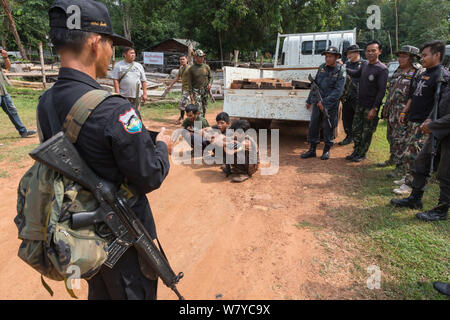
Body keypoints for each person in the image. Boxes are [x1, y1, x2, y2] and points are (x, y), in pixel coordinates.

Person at [38, 0, 173, 300]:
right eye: (112, 43)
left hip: (83, 240)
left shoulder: (45, 102)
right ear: (96, 43)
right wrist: (162, 146)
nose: (112, 52)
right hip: (124, 242)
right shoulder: (113, 109)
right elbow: (148, 176)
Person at [391, 43, 450, 222]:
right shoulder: (440, 78)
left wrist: (433, 124)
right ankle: (415, 198)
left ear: (437, 55)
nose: (421, 59)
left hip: (444, 130)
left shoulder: (443, 75)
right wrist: (430, 118)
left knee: (445, 173)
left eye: (425, 55)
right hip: (436, 127)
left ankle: (441, 210)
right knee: (421, 162)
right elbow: (440, 103)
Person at [378, 45, 422, 189]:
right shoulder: (398, 71)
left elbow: (416, 94)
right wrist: (386, 109)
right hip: (392, 110)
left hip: (404, 113)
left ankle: (401, 167)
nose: (400, 59)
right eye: (399, 56)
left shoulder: (418, 72)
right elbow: (391, 90)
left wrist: (405, 112)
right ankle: (393, 158)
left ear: (412, 58)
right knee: (391, 136)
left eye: (404, 56)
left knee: (401, 140)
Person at [345, 40, 388, 162]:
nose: (370, 53)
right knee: (356, 129)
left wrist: (374, 109)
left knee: (366, 132)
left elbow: (381, 91)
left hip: (371, 107)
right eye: (368, 51)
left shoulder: (382, 69)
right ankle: (356, 151)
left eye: (373, 50)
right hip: (360, 104)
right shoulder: (364, 65)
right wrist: (345, 68)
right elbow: (356, 74)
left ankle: (362, 154)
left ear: (379, 51)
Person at [301, 46, 346, 160]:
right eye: (326, 56)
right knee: (313, 125)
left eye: (330, 56)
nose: (327, 59)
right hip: (317, 102)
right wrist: (309, 100)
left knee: (328, 126)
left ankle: (326, 150)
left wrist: (324, 102)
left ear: (336, 57)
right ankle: (312, 150)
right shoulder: (321, 67)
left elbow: (338, 91)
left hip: (330, 105)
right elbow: (315, 85)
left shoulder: (341, 70)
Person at [0, 48, 36, 138]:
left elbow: (7, 67)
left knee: (12, 111)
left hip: (3, 91)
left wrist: (5, 57)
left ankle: (23, 132)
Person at [338, 44, 364, 146]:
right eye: (347, 53)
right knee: (346, 118)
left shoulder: (364, 64)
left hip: (358, 96)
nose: (348, 55)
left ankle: (358, 139)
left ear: (357, 52)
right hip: (347, 96)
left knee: (358, 119)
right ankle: (349, 137)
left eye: (350, 53)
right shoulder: (346, 65)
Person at [112, 47, 147, 111]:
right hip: (124, 96)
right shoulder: (118, 65)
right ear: (124, 54)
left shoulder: (139, 66)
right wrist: (117, 92)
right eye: (131, 53)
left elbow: (143, 80)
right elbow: (115, 79)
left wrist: (144, 93)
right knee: (124, 114)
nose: (133, 55)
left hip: (137, 96)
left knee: (136, 114)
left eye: (134, 53)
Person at [186, 49, 213, 117]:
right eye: (200, 56)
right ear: (196, 57)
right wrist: (191, 93)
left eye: (203, 56)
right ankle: (198, 126)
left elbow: (211, 77)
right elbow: (189, 82)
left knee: (204, 108)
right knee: (198, 108)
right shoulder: (191, 69)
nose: (202, 58)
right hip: (196, 91)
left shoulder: (206, 67)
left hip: (205, 90)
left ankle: (202, 123)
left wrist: (210, 83)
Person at [166, 55, 190, 125]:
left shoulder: (190, 68)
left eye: (183, 59)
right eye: (180, 59)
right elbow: (177, 78)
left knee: (182, 103)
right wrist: (170, 85)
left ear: (187, 60)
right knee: (184, 104)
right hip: (184, 89)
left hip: (189, 89)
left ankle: (183, 119)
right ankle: (183, 118)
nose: (182, 60)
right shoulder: (181, 68)